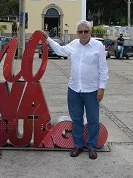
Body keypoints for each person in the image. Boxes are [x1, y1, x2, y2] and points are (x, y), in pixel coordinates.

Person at [41, 20, 108, 160]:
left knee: (93, 120)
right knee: (76, 119)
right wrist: (47, 38)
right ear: (77, 33)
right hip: (74, 89)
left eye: (86, 31)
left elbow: (103, 69)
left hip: (92, 90)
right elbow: (60, 50)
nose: (83, 34)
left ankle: (92, 146)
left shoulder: (98, 46)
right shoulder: (73, 44)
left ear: (90, 32)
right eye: (80, 31)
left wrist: (101, 88)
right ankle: (78, 145)